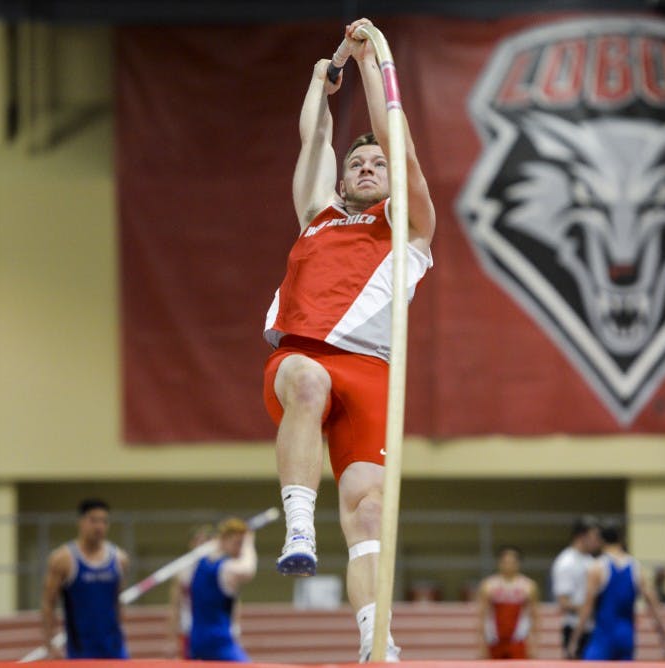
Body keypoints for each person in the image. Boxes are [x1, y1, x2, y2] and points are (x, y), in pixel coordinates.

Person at [261, 17, 436, 663]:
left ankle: (374, 640)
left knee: (368, 514)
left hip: (372, 375)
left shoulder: (409, 230)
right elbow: (317, 137)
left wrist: (370, 66)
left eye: (376, 163)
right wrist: (321, 82)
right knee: (308, 382)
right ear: (342, 181)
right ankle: (299, 524)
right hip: (302, 356)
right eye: (357, 163)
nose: (366, 167)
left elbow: (406, 154)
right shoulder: (319, 215)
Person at [40, 498, 129, 659]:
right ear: (80, 522)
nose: (99, 526)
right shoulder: (63, 559)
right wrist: (49, 644)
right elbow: (48, 603)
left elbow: (118, 601)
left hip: (115, 647)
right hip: (81, 650)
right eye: (93, 520)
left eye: (104, 521)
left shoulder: (119, 559)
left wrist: (122, 636)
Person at [568, 522, 665, 661]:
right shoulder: (636, 568)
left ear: (601, 541)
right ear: (621, 540)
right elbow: (653, 604)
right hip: (627, 637)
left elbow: (587, 608)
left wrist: (575, 639)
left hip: (604, 636)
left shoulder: (597, 567)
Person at [188, 518, 256, 661]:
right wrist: (249, 545)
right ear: (224, 540)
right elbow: (248, 570)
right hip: (218, 640)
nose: (239, 548)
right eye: (237, 543)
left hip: (196, 640)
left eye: (241, 544)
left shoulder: (199, 565)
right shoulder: (225, 568)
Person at [550, 515, 601, 659]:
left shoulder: (591, 561)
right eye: (594, 536)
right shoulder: (566, 562)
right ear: (581, 536)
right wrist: (588, 608)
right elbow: (563, 602)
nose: (598, 541)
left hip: (593, 627)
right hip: (574, 626)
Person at [476, 546, 540, 660]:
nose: (508, 565)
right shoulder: (489, 586)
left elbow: (534, 616)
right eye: (505, 562)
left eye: (512, 562)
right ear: (499, 563)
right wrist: (481, 644)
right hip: (495, 640)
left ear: (518, 564)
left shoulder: (528, 586)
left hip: (518, 639)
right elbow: (482, 616)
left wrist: (534, 644)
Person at [168, 524, 214, 658]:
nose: (202, 545)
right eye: (198, 541)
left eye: (206, 541)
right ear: (191, 544)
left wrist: (234, 628)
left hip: (213, 629)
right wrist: (171, 638)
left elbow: (232, 602)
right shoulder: (183, 571)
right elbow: (175, 605)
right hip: (189, 629)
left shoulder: (221, 568)